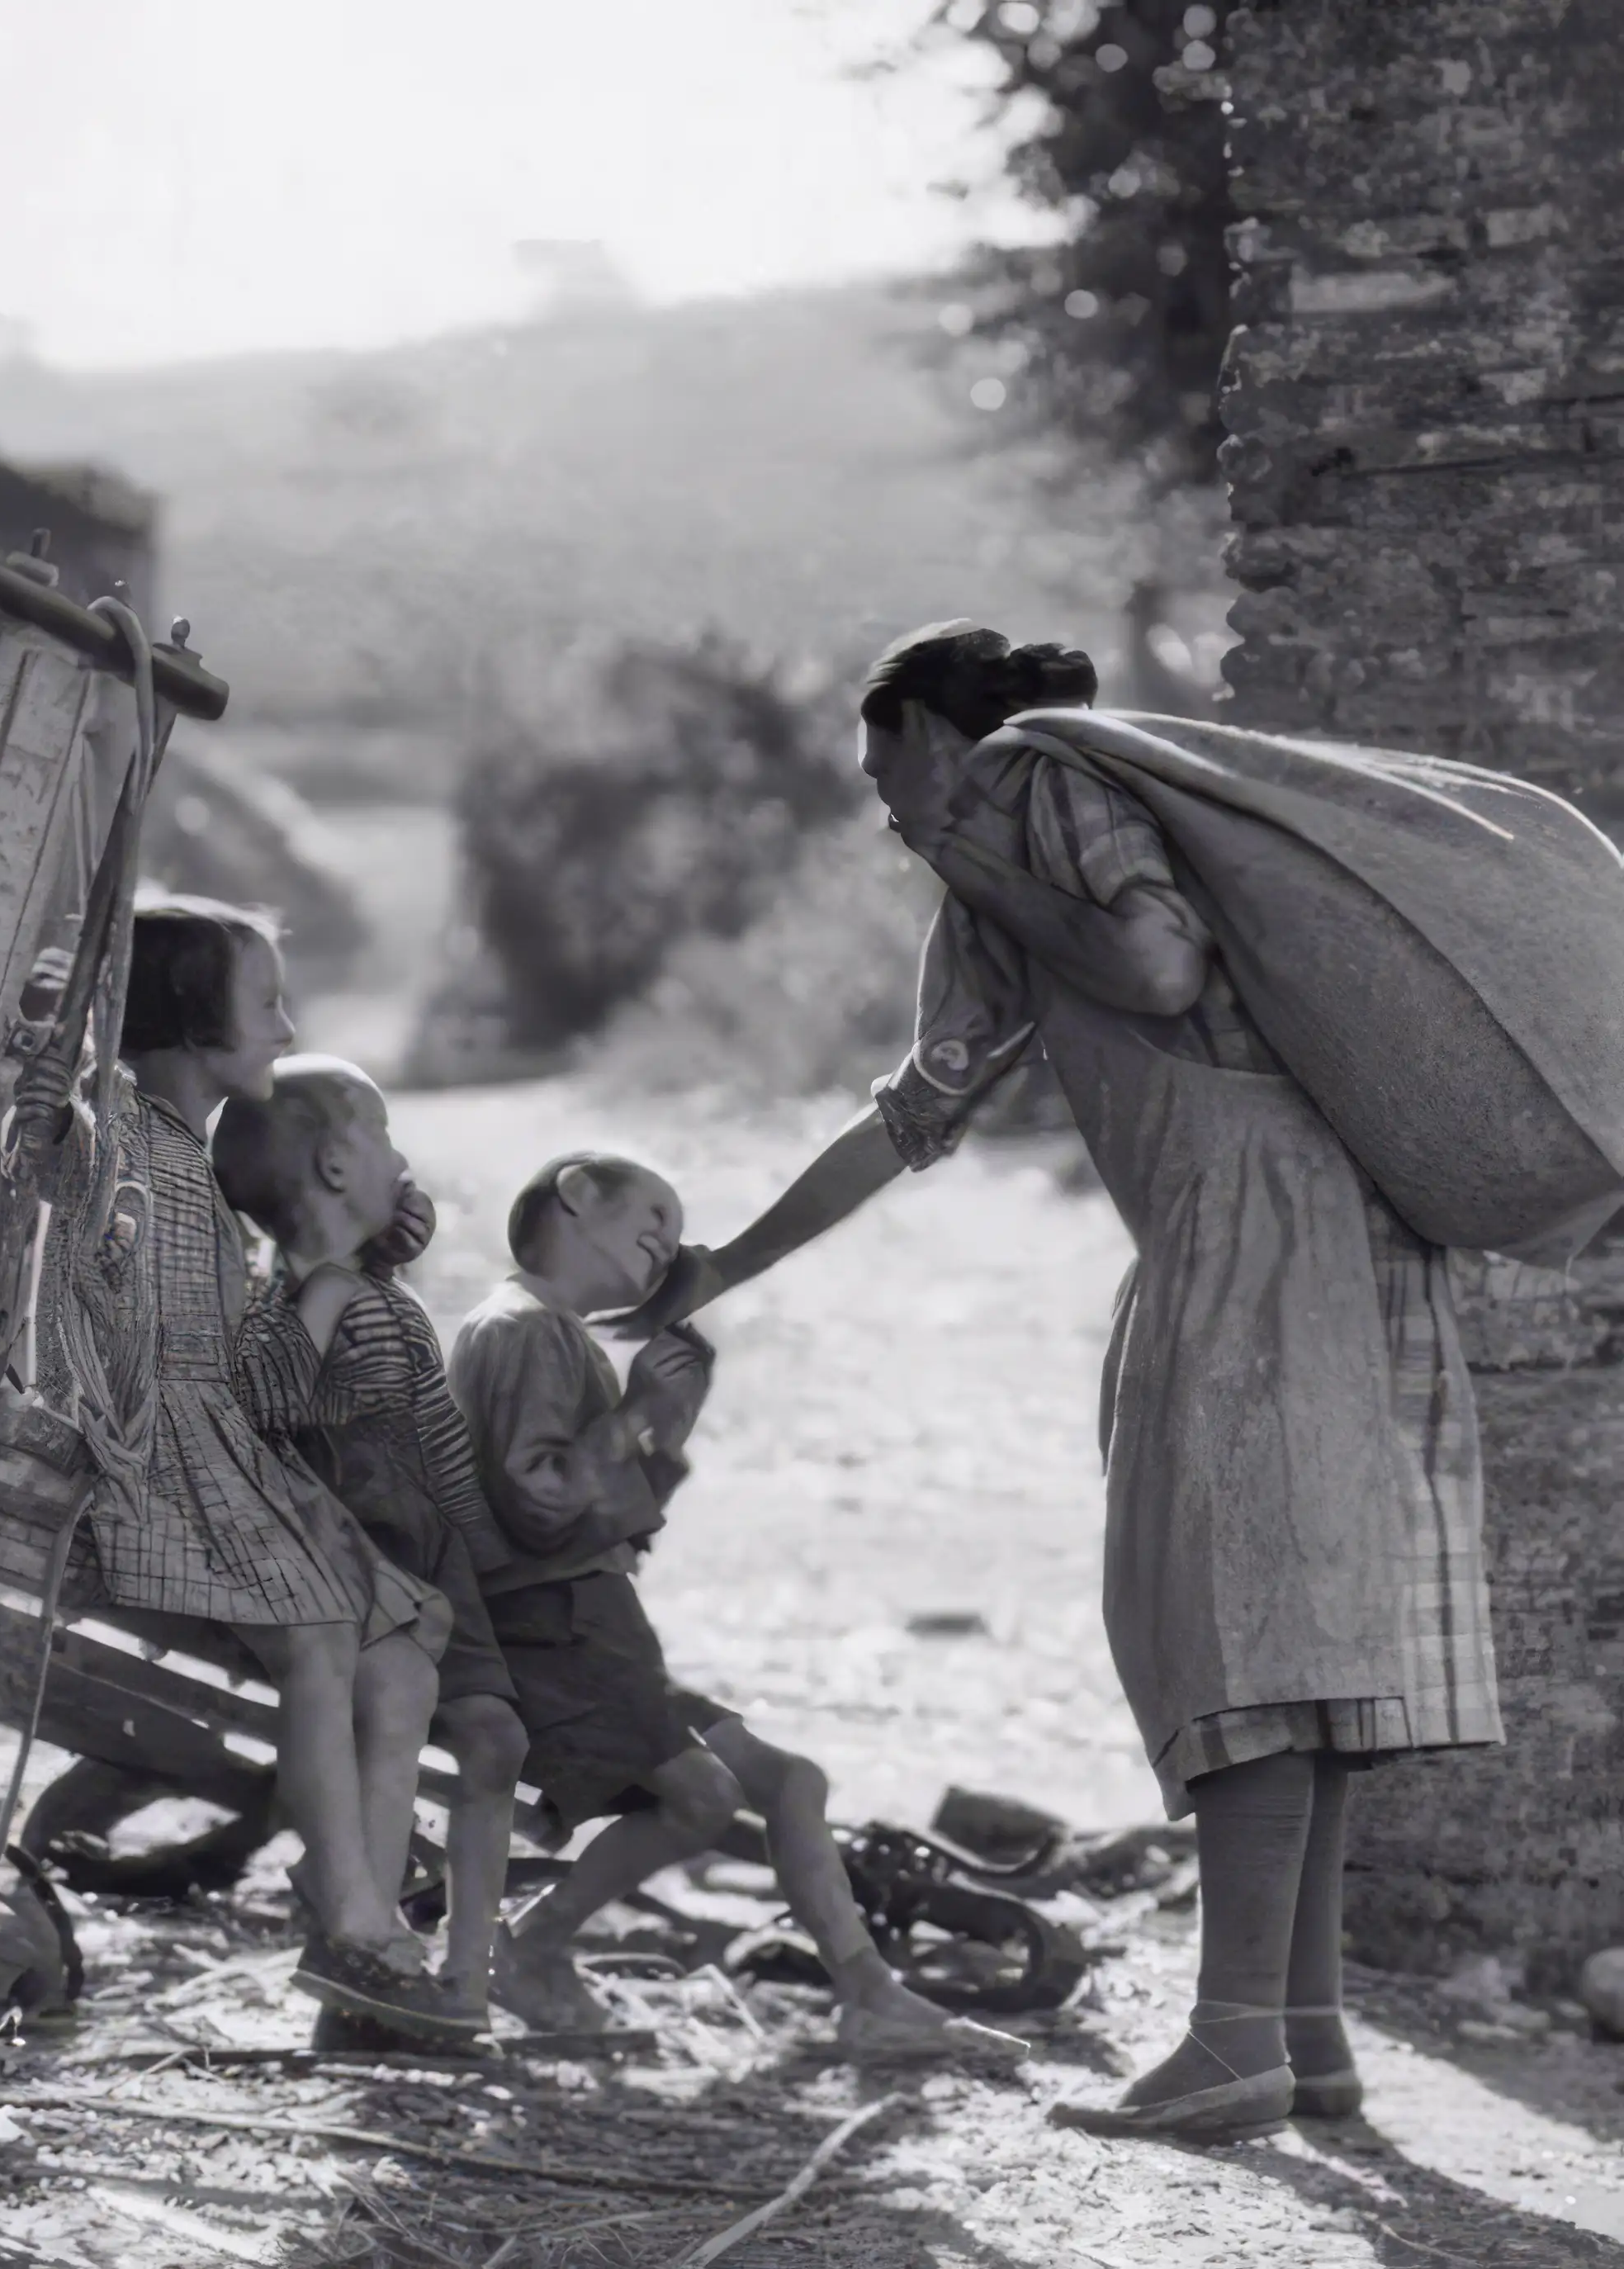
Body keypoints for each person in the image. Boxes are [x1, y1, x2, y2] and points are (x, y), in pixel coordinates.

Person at [619, 622, 1501, 2141]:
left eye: (882, 759)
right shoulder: (1010, 846)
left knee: (1241, 1630)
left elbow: (1157, 965)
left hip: (1258, 1226)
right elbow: (913, 1114)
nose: (881, 800)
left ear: (934, 734)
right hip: (1313, 1229)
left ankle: (1236, 2040)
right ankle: (1302, 2032)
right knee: (1302, 1622)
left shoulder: (1039, 780)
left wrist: (972, 842)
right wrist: (719, 1271)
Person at [449, 1150, 1030, 2066]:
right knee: (702, 1797)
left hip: (592, 1627)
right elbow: (541, 1503)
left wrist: (661, 1425)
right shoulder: (520, 1328)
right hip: (549, 1632)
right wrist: (637, 1410)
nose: (664, 1249)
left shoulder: (553, 1335)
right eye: (654, 1220)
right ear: (574, 1196)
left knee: (787, 1781)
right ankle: (528, 1946)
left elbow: (602, 1517)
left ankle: (870, 1995)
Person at [12, 899, 470, 2039]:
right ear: (190, 1023)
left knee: (405, 1650)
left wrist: (341, 1265)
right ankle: (356, 1920)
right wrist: (50, 1092)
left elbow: (254, 1372)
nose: (287, 1025)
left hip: (214, 1438)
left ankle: (352, 1900)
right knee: (322, 1639)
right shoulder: (121, 1130)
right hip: (144, 1447)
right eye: (265, 1003)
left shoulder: (196, 1166)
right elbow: (64, 1160)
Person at [215, 1056, 529, 2035]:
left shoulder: (381, 1298)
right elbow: (267, 1400)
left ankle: (409, 1962)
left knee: (484, 1731)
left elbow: (435, 1435)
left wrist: (485, 1539)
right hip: (360, 1545)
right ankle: (363, 1951)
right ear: (340, 1168)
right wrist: (339, 1283)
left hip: (430, 1545)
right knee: (401, 1707)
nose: (406, 1161)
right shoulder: (292, 1300)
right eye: (386, 1138)